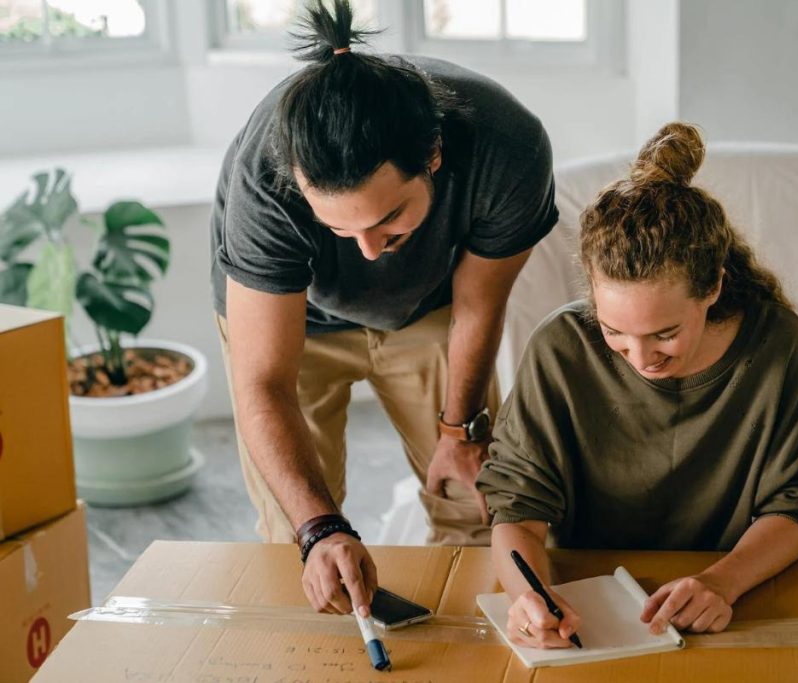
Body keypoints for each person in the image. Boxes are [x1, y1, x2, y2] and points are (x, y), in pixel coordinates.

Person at [210, 0, 558, 619]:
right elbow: (264, 380)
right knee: (299, 532)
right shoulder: (262, 178)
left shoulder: (509, 146)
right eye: (341, 229)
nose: (369, 251)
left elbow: (480, 306)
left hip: (431, 309)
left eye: (388, 217)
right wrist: (320, 529)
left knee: (474, 503)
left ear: (433, 157)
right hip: (292, 323)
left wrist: (459, 430)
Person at [476, 122, 798, 648]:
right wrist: (528, 597)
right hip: (585, 606)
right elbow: (518, 509)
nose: (641, 359)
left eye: (665, 334)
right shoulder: (559, 348)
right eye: (614, 332)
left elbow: (797, 502)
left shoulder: (774, 342)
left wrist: (722, 581)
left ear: (713, 284)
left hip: (724, 599)